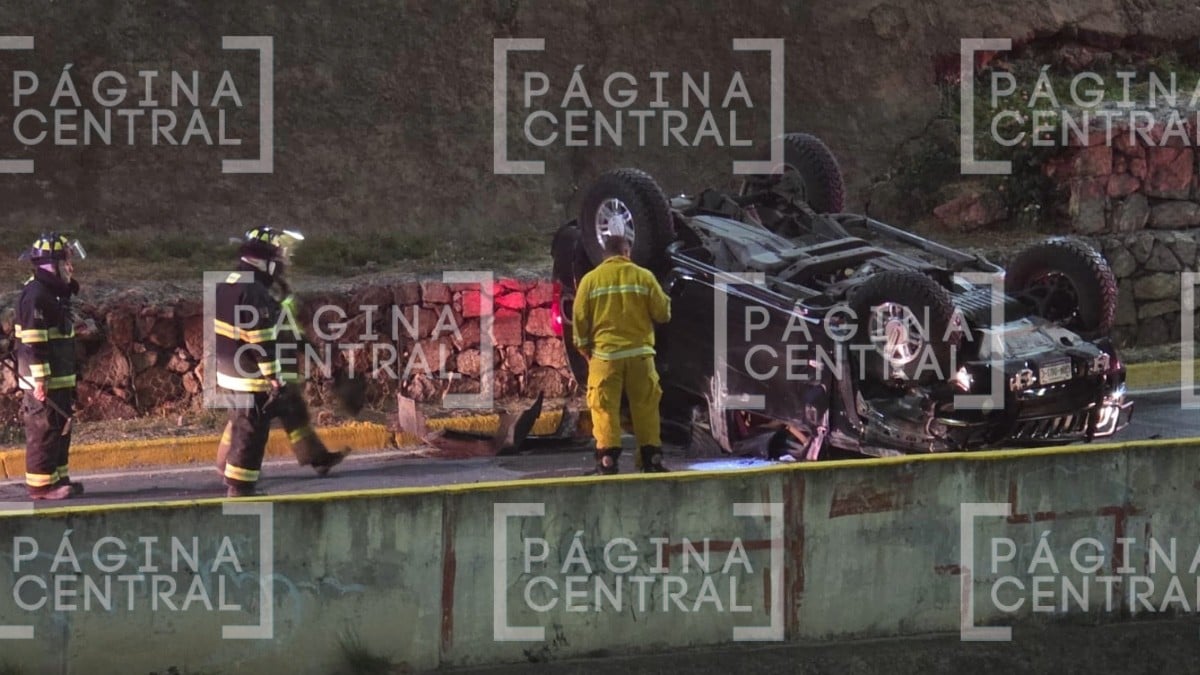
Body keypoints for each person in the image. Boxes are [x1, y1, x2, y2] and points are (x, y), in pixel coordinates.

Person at [214, 227, 348, 497]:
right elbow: (260, 340)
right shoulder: (255, 291)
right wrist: (273, 377)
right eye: (278, 259)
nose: (282, 265)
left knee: (278, 410)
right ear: (263, 260)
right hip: (251, 374)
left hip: (233, 368)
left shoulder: (231, 282)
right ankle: (239, 487)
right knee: (250, 428)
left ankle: (316, 457)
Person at [572, 218, 672, 475]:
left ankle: (607, 460)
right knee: (646, 407)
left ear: (604, 256)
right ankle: (651, 459)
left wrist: (585, 349)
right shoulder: (644, 277)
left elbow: (579, 319)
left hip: (605, 357)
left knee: (604, 408)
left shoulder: (590, 280)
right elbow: (663, 314)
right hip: (640, 356)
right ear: (627, 252)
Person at [15, 233, 85, 500]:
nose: (70, 267)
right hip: (43, 382)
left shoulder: (53, 294)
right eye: (66, 261)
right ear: (51, 265)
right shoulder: (36, 295)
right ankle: (41, 486)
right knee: (44, 431)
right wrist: (40, 381)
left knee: (59, 429)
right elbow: (34, 342)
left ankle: (58, 478)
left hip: (58, 379)